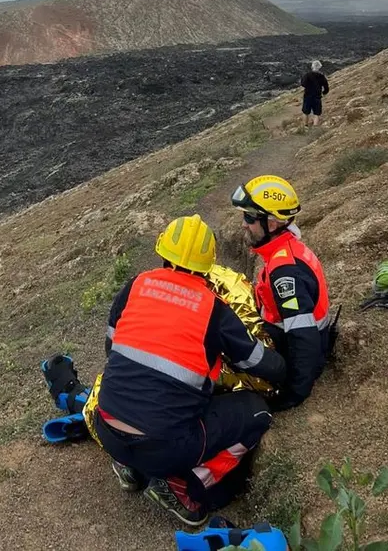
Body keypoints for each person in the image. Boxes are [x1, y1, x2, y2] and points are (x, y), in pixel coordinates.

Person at [92, 214, 287, 527]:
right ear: (208, 266)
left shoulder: (136, 286)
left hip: (106, 427)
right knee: (255, 412)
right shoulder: (213, 308)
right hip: (165, 450)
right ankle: (181, 485)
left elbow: (111, 349)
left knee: (144, 405)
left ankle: (128, 466)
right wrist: (285, 367)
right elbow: (255, 361)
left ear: (163, 254)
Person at [231, 175, 331, 412]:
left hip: (290, 349)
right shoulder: (285, 251)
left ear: (272, 224)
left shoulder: (285, 271)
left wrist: (294, 392)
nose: (244, 224)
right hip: (285, 334)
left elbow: (303, 336)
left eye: (249, 217)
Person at [300, 60, 329, 127]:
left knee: (306, 112)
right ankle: (315, 127)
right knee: (317, 113)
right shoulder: (322, 76)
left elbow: (303, 84)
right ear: (319, 67)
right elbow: (326, 87)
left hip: (308, 96)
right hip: (317, 96)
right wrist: (324, 93)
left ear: (312, 66)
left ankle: (305, 126)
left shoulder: (307, 75)